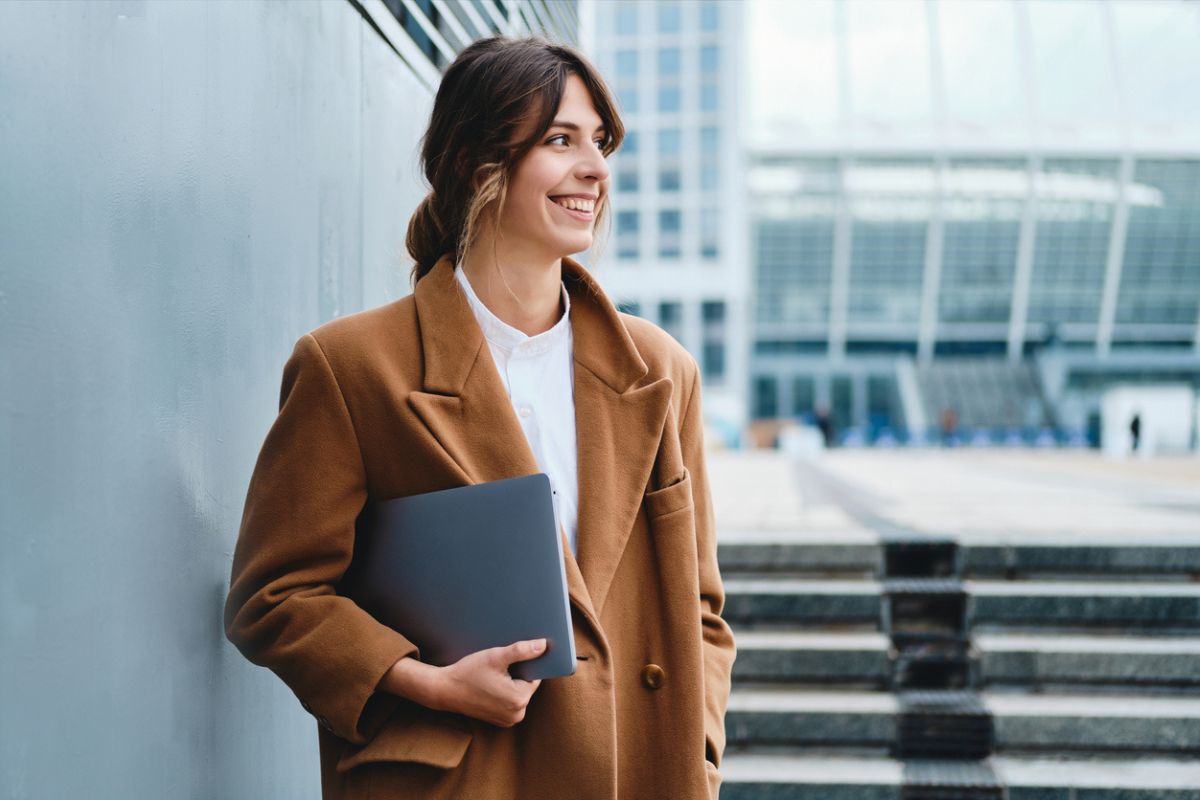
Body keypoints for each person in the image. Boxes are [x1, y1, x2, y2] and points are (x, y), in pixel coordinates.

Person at [223, 36, 735, 800]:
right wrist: (424, 682)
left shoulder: (661, 370)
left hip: (641, 774)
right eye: (561, 140)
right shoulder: (353, 366)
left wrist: (697, 749)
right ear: (478, 163)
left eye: (600, 142)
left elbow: (701, 608)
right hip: (465, 779)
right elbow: (275, 597)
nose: (595, 168)